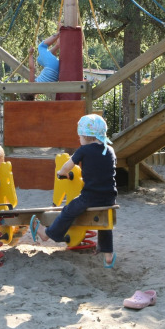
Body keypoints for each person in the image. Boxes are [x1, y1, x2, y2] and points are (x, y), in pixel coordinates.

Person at [30, 114, 118, 268]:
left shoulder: (84, 150)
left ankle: (48, 234)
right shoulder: (109, 149)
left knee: (69, 210)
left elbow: (67, 166)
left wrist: (61, 174)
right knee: (105, 222)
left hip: (90, 196)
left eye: (79, 137)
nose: (79, 140)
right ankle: (108, 255)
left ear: (85, 136)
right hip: (110, 196)